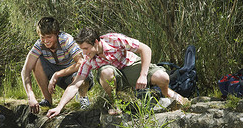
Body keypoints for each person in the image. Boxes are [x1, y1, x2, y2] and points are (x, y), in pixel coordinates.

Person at [47, 27, 189, 118]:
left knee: (163, 77)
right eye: (82, 49)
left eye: (86, 48)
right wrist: (59, 107)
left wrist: (143, 75)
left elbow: (145, 49)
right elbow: (75, 84)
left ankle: (166, 94)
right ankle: (116, 105)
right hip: (114, 75)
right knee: (106, 72)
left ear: (96, 42)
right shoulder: (87, 59)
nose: (84, 53)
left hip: (131, 66)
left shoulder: (114, 40)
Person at [21, 17, 93, 114]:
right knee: (37, 61)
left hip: (76, 76)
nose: (45, 41)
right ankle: (47, 101)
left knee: (81, 72)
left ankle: (83, 98)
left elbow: (81, 63)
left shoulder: (66, 39)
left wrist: (57, 74)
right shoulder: (39, 45)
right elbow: (25, 70)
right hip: (59, 78)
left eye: (49, 37)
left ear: (57, 34)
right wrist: (30, 95)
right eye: (42, 37)